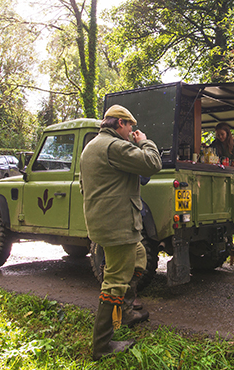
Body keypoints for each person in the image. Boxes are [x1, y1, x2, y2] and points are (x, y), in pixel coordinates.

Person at [80, 105, 163, 360]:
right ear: (119, 124)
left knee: (140, 258)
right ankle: (102, 346)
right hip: (118, 226)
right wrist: (146, 142)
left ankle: (125, 313)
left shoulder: (92, 146)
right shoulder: (113, 146)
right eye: (130, 127)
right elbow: (153, 163)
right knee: (114, 282)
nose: (132, 132)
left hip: (106, 223)